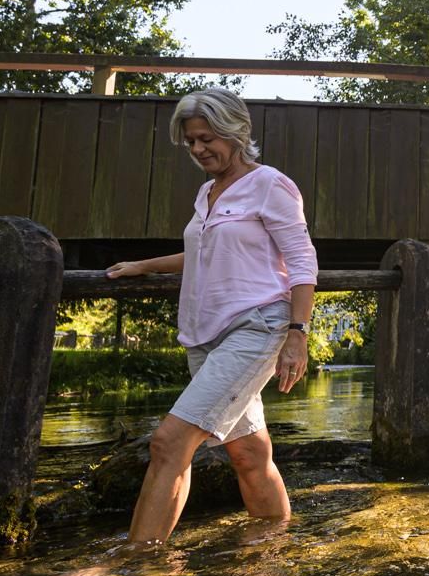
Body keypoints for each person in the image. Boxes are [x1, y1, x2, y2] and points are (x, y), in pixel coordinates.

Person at [105, 88, 319, 542]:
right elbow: (201, 251)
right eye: (191, 142)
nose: (199, 150)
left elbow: (302, 262)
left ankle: (136, 564)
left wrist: (298, 334)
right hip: (205, 337)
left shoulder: (270, 184)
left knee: (169, 443)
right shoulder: (207, 192)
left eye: (207, 139)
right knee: (247, 452)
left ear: (236, 132)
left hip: (258, 326)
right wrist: (143, 266)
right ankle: (274, 542)